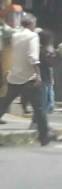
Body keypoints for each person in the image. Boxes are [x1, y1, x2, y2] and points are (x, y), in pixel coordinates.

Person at [0, 14, 49, 145]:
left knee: (3, 105)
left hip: (13, 76)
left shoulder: (13, 35)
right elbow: (33, 57)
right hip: (29, 78)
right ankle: (44, 138)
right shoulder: (32, 36)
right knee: (39, 109)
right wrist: (38, 74)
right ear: (32, 24)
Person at [38, 30, 56, 114]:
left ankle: (45, 110)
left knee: (45, 94)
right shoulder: (47, 50)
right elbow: (50, 65)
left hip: (43, 74)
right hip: (44, 74)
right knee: (46, 95)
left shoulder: (40, 49)